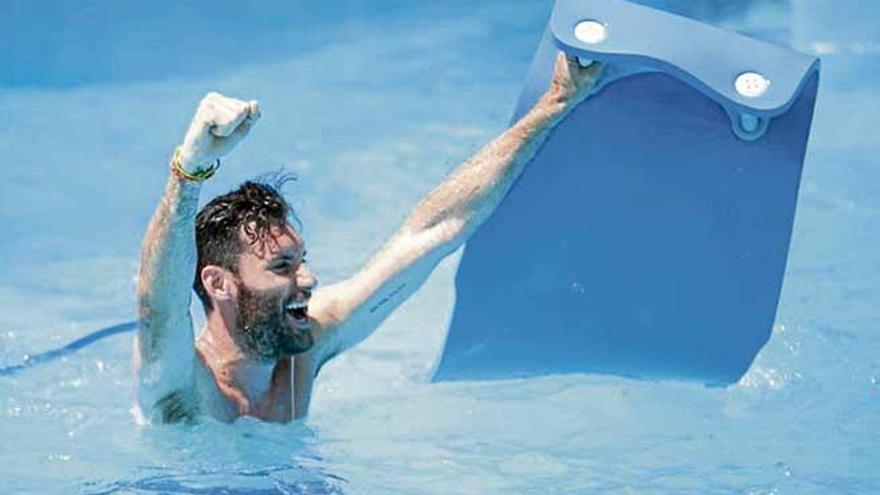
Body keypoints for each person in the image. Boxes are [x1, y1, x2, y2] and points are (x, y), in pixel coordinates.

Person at [133, 53, 602, 423]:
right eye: (282, 266)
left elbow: (431, 234)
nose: (309, 278)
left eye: (301, 259)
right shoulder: (182, 387)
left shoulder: (306, 346)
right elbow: (159, 307)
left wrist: (555, 103)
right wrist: (188, 172)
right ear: (219, 284)